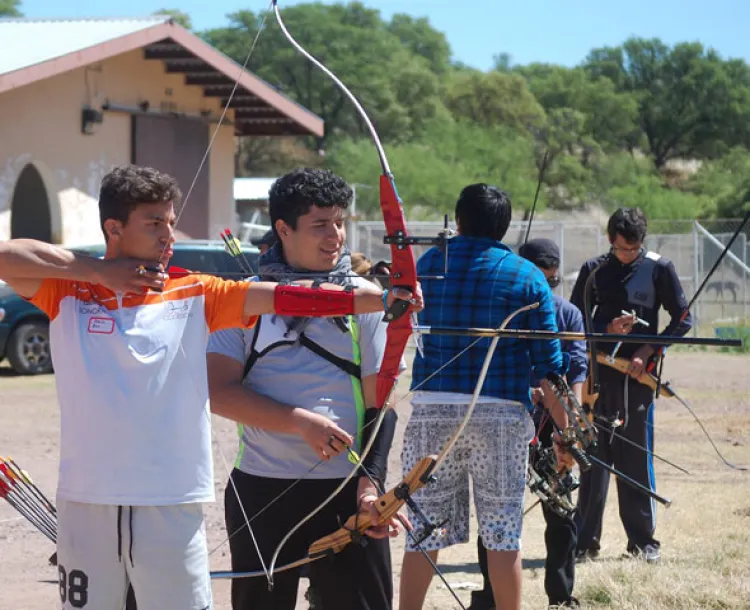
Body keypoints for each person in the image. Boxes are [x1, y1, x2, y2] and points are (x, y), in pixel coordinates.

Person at [0, 164, 417, 610]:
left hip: (171, 501)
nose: (168, 236)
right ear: (114, 227)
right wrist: (101, 273)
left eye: (171, 223)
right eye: (154, 223)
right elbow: (6, 255)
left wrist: (382, 299)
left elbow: (284, 296)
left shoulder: (197, 291)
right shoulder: (68, 291)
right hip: (86, 499)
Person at [206, 168, 413, 610]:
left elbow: (382, 403)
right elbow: (219, 392)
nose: (335, 235)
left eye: (340, 222)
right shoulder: (244, 299)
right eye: (320, 224)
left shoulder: (368, 297)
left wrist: (370, 484)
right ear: (284, 229)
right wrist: (299, 423)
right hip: (262, 490)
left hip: (346, 490)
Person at [398, 184, 569, 610]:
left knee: (423, 530)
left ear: (458, 220)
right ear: (504, 227)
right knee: (503, 533)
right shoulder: (529, 276)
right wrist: (566, 435)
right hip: (501, 417)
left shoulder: (429, 264)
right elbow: (550, 367)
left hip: (432, 414)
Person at [469, 238, 587, 610]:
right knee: (496, 515)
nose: (547, 291)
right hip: (505, 420)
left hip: (556, 425)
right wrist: (528, 389)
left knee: (561, 510)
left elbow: (577, 369)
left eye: (553, 283)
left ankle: (561, 595)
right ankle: (490, 596)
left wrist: (571, 426)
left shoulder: (568, 315)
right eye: (541, 280)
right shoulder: (501, 312)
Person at [570, 207, 692, 564]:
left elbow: (683, 319)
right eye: (623, 249)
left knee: (635, 458)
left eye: (635, 248)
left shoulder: (659, 268)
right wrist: (606, 330)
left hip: (637, 379)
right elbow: (574, 320)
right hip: (597, 377)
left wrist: (648, 346)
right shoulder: (593, 271)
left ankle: (643, 542)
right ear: (610, 241)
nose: (629, 255)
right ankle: (584, 541)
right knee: (592, 458)